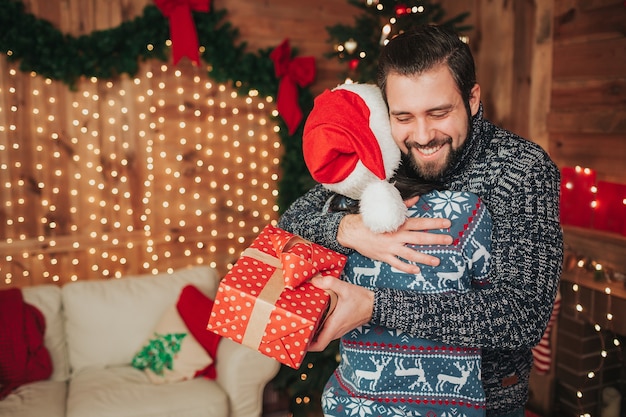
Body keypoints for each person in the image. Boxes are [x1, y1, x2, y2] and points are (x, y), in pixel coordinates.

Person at [278, 24, 563, 417]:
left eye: (439, 112)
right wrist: (350, 230)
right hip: (369, 400)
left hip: (484, 404)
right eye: (404, 117)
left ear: (473, 98)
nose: (423, 135)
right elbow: (291, 222)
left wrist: (374, 307)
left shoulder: (521, 169)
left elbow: (521, 317)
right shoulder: (385, 156)